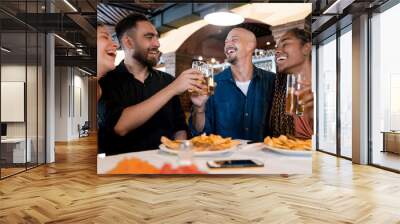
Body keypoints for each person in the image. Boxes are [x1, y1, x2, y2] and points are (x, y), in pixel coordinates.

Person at [98, 13, 204, 155]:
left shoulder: (167, 80)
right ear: (129, 42)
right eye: (149, 37)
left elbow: (179, 128)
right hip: (124, 170)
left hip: (165, 168)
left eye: (156, 37)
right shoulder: (107, 81)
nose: (157, 43)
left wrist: (179, 154)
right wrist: (173, 89)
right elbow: (120, 126)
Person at [190, 28, 276, 142]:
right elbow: (199, 133)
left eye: (234, 40)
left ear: (250, 45)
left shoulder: (272, 81)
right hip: (223, 158)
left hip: (264, 158)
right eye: (226, 42)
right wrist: (199, 109)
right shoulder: (211, 84)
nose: (228, 45)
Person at [270, 28, 313, 139]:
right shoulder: (285, 96)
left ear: (306, 48)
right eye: (277, 48)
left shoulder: (329, 87)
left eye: (285, 44)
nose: (277, 51)